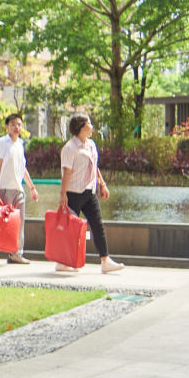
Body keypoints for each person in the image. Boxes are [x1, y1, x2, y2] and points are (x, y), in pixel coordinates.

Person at [59, 113, 125, 274]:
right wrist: (63, 193)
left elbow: (94, 166)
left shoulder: (91, 145)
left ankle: (105, 261)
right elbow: (66, 172)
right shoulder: (70, 148)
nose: (92, 127)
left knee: (97, 225)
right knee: (70, 229)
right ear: (80, 127)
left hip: (90, 192)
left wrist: (102, 184)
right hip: (73, 193)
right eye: (89, 123)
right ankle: (62, 261)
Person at [0, 113, 41, 264]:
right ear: (7, 126)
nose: (16, 127)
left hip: (18, 189)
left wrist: (32, 188)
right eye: (13, 124)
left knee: (19, 222)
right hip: (4, 188)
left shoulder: (20, 144)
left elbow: (22, 169)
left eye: (19, 124)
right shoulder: (2, 143)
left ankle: (16, 254)